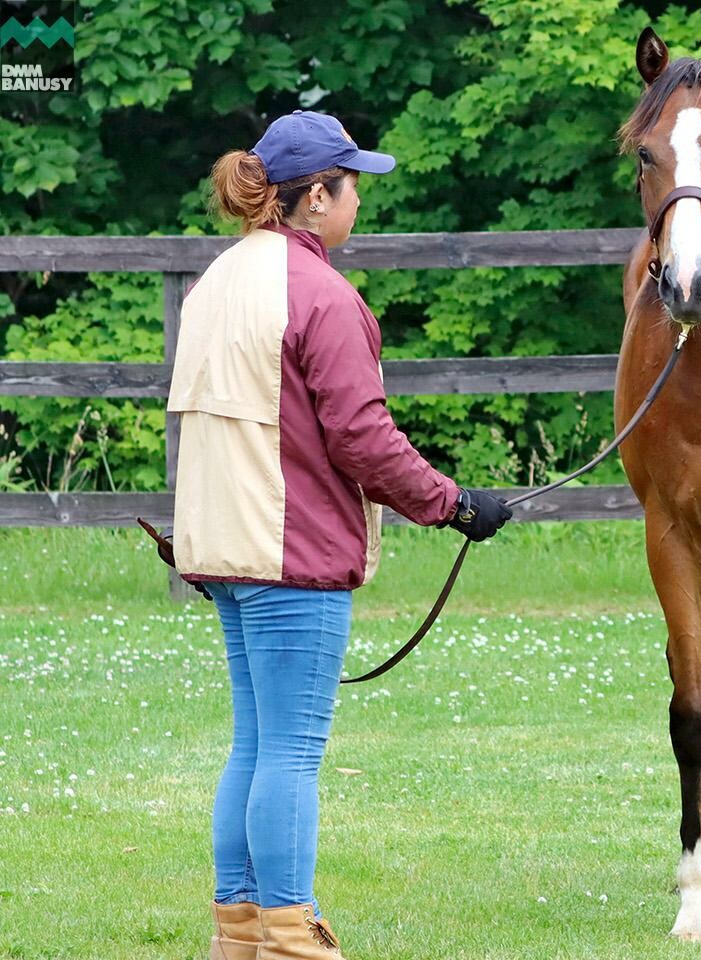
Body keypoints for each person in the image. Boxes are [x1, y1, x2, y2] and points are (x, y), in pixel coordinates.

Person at [169, 110, 511, 960]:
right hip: (292, 552)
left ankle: (240, 933)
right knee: (288, 752)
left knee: (253, 744)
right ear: (316, 197)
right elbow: (362, 439)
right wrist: (455, 505)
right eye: (352, 186)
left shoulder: (217, 280)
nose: (359, 201)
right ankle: (292, 935)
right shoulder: (323, 294)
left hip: (226, 547)